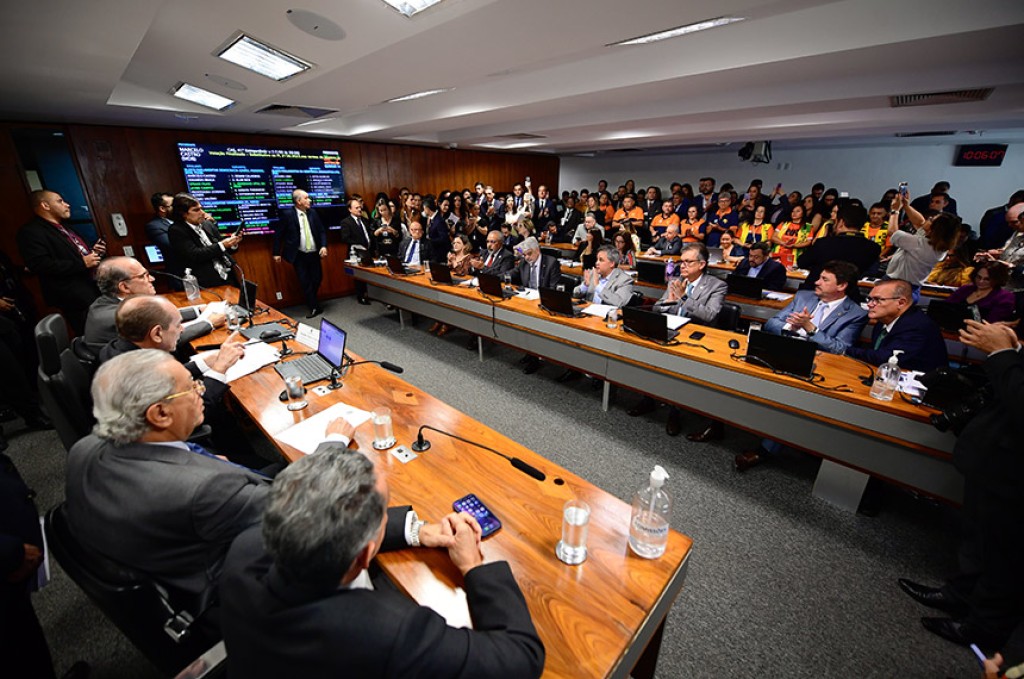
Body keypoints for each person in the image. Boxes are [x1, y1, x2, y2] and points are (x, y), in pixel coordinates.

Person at [220, 448, 545, 679]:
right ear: (365, 554)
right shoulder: (389, 632)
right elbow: (521, 657)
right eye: (383, 516)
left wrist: (418, 532)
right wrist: (473, 566)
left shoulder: (245, 550)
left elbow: (318, 522)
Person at [64, 350, 272, 630]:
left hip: (167, 562)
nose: (200, 391)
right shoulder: (207, 489)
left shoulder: (84, 449)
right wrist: (328, 445)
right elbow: (296, 512)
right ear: (160, 413)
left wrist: (202, 462)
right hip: (236, 595)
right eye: (192, 387)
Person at [897, 320, 1022, 654]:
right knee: (979, 537)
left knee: (1005, 556)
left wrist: (1003, 353)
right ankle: (959, 594)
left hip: (1016, 474)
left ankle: (983, 629)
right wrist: (1014, 351)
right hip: (996, 458)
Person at [737, 261, 869, 471]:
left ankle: (766, 449)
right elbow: (771, 323)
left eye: (824, 279)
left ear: (842, 286)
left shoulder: (855, 313)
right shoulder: (804, 297)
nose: (817, 282)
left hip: (818, 365)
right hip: (782, 352)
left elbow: (840, 349)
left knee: (790, 399)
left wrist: (810, 328)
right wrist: (790, 326)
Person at [633, 243, 728, 437]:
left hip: (698, 337)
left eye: (688, 262)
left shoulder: (717, 285)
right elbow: (657, 308)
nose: (682, 266)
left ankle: (675, 411)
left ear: (701, 264)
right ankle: (648, 398)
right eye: (681, 262)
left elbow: (709, 315)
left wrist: (684, 298)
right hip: (672, 331)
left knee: (678, 369)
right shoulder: (675, 281)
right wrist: (669, 301)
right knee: (645, 353)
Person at [84, 256, 224, 349]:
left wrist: (198, 310)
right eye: (143, 276)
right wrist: (209, 323)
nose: (152, 279)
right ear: (124, 287)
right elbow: (166, 339)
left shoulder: (106, 302)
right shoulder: (118, 317)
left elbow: (158, 316)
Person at [16, 189, 103, 335]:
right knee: (95, 335)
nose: (67, 204)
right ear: (45, 205)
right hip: (75, 297)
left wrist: (93, 253)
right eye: (60, 201)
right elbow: (39, 265)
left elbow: (74, 254)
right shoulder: (31, 231)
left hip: (93, 287)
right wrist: (82, 263)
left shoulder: (66, 228)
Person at [846, 279, 947, 372]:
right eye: (869, 299)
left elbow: (884, 358)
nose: (870, 304)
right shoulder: (884, 319)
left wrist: (844, 350)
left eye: (877, 300)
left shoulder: (917, 326)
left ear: (901, 303)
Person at [796, 203, 880, 297]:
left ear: (841, 222)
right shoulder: (873, 248)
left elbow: (802, 262)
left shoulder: (823, 243)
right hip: (848, 295)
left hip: (814, 293)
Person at [167, 193, 241, 288]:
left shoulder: (207, 224)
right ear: (183, 214)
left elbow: (224, 249)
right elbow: (195, 254)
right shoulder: (176, 230)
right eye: (196, 210)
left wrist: (233, 243)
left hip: (228, 276)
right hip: (205, 281)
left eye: (201, 208)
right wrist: (222, 245)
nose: (202, 213)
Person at [274, 189, 328, 318]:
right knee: (304, 281)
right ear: (299, 201)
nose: (309, 200)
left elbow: (321, 231)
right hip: (298, 254)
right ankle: (314, 306)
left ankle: (312, 300)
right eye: (306, 198)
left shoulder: (313, 213)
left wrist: (323, 246)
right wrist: (276, 252)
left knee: (317, 278)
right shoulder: (288, 215)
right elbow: (278, 235)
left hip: (314, 253)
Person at [975, 202, 1024, 291]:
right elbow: (1009, 251)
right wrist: (995, 255)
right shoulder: (1017, 233)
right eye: (1008, 222)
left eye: (1014, 222)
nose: (1010, 226)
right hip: (1004, 286)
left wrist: (1012, 267)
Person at [945, 261, 1015, 323]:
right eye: (978, 277)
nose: (981, 281)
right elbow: (946, 307)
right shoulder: (965, 289)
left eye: (987, 279)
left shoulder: (1004, 297)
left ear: (997, 279)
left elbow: (992, 322)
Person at [340, 197, 375, 305]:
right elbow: (345, 238)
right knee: (359, 276)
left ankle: (371, 294)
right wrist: (359, 245)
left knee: (370, 274)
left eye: (360, 207)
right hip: (356, 252)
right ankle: (361, 296)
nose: (360, 209)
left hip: (369, 251)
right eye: (356, 208)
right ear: (350, 209)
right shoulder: (346, 222)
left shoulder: (365, 220)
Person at [144, 191, 180, 281]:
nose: (178, 209)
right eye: (174, 206)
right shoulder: (154, 226)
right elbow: (171, 245)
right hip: (179, 274)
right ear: (162, 208)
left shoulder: (181, 221)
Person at [771, 203, 814, 269]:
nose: (794, 213)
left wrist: (794, 245)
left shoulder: (808, 227)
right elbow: (773, 237)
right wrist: (783, 243)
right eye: (793, 211)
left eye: (798, 211)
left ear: (803, 213)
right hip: (778, 255)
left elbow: (808, 242)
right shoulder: (783, 223)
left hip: (795, 258)